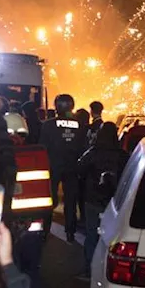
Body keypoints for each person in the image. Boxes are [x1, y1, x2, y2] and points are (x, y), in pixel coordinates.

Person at [76, 122, 128, 279]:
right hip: (115, 202)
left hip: (93, 199)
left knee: (92, 235)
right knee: (114, 237)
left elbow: (79, 169)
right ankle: (109, 271)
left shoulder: (92, 153)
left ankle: (90, 270)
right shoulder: (122, 156)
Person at [39, 94, 86, 244]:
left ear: (56, 106)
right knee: (70, 201)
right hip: (72, 167)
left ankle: (45, 230)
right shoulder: (80, 125)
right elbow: (84, 148)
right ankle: (70, 233)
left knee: (48, 199)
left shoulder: (48, 125)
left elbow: (42, 147)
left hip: (52, 166)